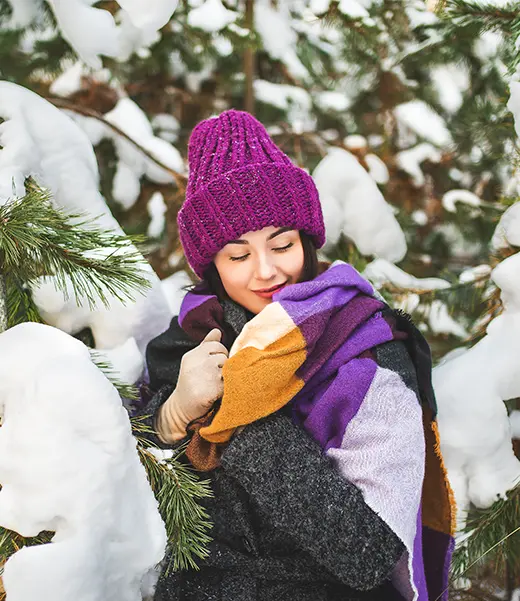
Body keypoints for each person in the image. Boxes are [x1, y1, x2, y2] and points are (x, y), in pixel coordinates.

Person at [142, 109, 456, 601]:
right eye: (239, 255)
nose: (266, 271)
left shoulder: (369, 354)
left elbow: (368, 551)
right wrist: (171, 413)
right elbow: (129, 473)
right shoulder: (190, 338)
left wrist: (239, 415)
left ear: (306, 241)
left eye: (281, 244)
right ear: (213, 267)